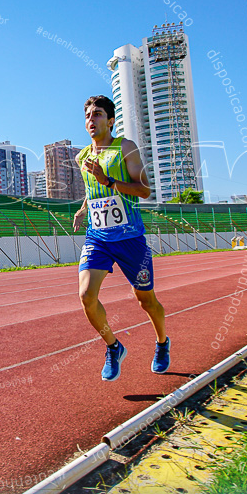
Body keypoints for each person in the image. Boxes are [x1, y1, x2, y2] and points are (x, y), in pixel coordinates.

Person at [72, 95, 169, 380]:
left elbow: (144, 190)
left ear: (110, 120)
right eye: (88, 115)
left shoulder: (125, 147)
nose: (92, 119)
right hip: (98, 237)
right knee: (86, 296)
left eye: (98, 114)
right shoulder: (82, 157)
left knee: (146, 300)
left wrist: (110, 181)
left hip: (130, 238)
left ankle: (162, 343)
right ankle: (114, 347)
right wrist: (83, 209)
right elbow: (93, 192)